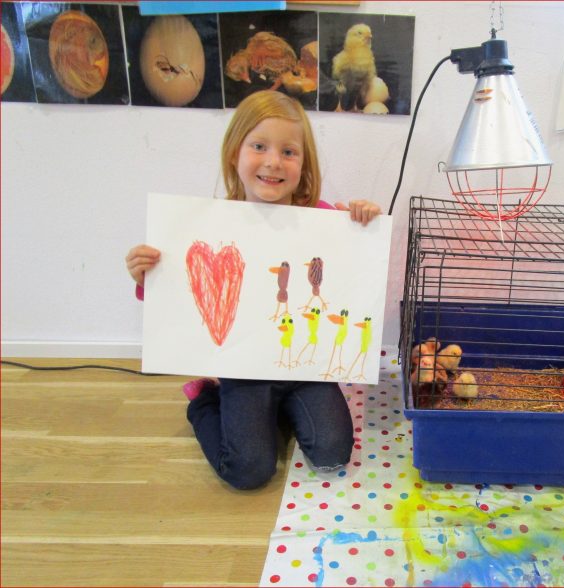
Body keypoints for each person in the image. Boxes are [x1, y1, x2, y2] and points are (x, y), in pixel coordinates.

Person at [125, 90, 382, 490]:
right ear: (235, 153)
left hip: (304, 366)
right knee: (248, 471)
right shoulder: (209, 224)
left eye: (289, 152)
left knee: (333, 452)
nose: (273, 162)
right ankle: (205, 402)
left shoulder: (324, 218)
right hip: (243, 369)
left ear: (303, 164)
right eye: (259, 146)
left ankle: (276, 412)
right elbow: (181, 296)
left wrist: (363, 221)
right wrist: (147, 278)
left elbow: (351, 274)